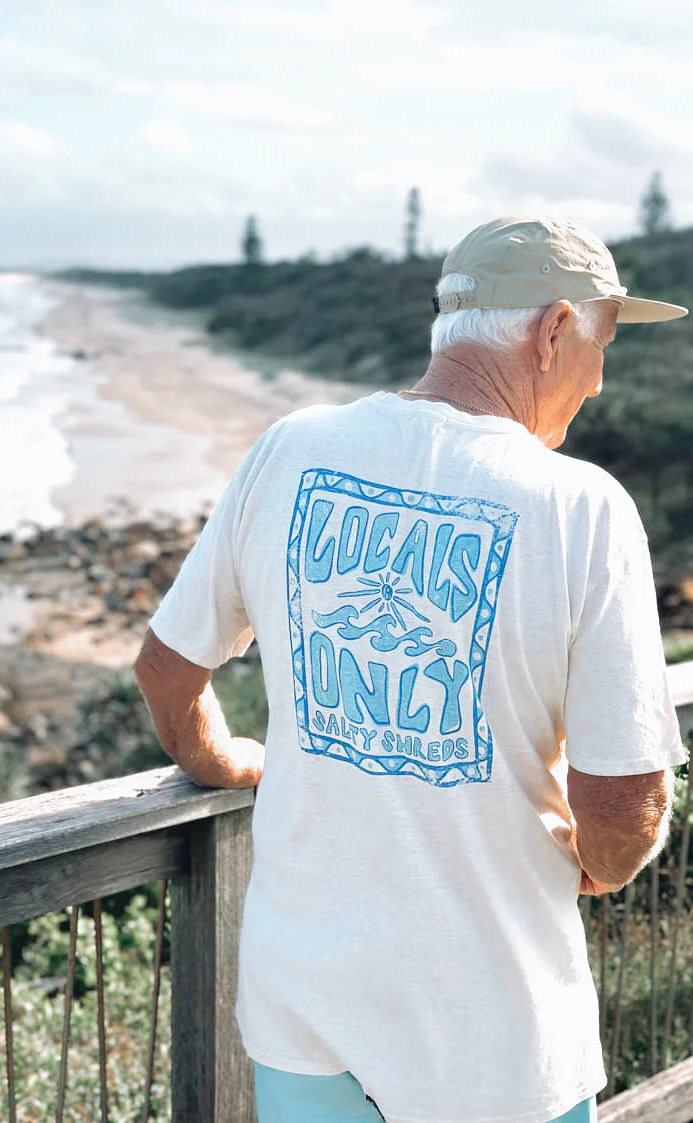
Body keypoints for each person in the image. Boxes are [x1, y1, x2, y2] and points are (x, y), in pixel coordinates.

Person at [134, 216, 689, 1123]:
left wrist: (221, 760)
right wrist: (603, 858)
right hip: (496, 1041)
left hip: (304, 1013)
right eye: (603, 342)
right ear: (552, 331)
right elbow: (624, 798)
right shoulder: (580, 507)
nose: (600, 377)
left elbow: (166, 669)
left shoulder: (291, 448)